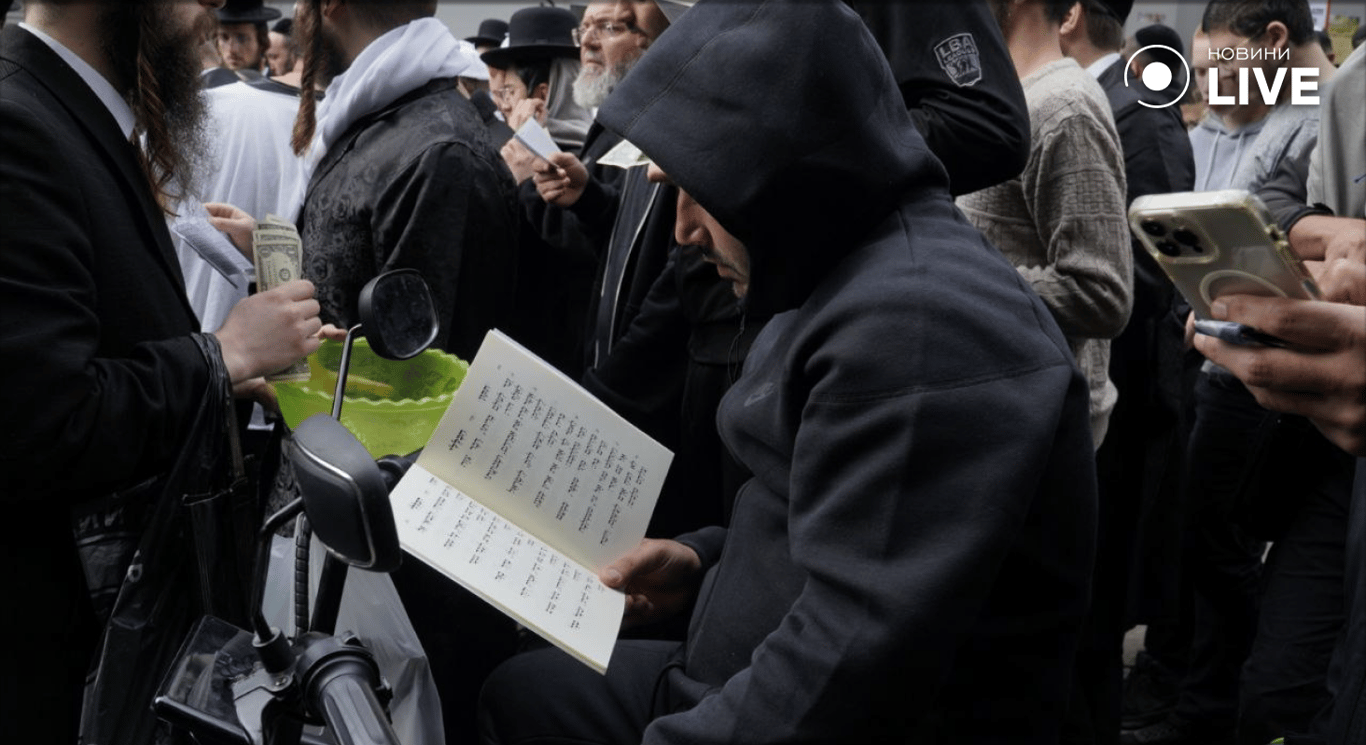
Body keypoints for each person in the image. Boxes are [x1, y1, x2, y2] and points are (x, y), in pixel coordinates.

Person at [479, 2, 1099, 743]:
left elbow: (846, 672)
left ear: (776, 164)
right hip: (720, 661)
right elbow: (825, 520)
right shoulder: (847, 275)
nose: (681, 230)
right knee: (521, 690)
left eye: (694, 188)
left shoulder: (920, 334)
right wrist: (704, 561)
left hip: (788, 701)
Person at [0, 1, 322, 741]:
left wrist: (228, 373)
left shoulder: (69, 110)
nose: (207, 4)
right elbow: (40, 423)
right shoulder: (21, 125)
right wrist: (221, 354)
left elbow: (94, 352)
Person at [288, 0, 521, 737]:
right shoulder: (389, 123)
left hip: (401, 560)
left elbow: (419, 382)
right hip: (355, 523)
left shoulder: (436, 151)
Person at [1058, 3, 1195, 742]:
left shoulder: (1141, 110)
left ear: (1071, 13)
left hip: (1127, 403)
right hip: (1091, 402)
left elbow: (1160, 267)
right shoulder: (1095, 98)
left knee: (1093, 623)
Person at [958, 0, 1133, 449]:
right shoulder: (1014, 98)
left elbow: (1103, 292)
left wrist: (955, 282)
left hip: (1037, 427)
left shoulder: (1064, 107)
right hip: (1001, 412)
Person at [482, 6, 593, 178]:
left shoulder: (577, 162)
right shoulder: (593, 144)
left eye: (510, 92)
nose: (504, 105)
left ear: (542, 95)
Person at [213, 0, 275, 77]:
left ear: (262, 43)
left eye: (242, 39)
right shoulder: (208, 85)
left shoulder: (279, 85)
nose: (232, 49)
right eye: (224, 38)